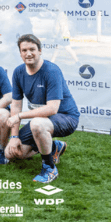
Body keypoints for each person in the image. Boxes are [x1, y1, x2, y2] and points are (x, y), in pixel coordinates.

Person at [5, 34, 80, 183]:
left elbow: (52, 108)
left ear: (40, 51)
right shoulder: (19, 72)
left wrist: (20, 117)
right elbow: (16, 105)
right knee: (12, 153)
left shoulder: (51, 71)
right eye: (24, 50)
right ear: (20, 53)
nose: (28, 53)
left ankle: (49, 168)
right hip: (42, 120)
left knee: (37, 124)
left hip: (66, 117)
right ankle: (54, 147)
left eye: (32, 49)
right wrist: (14, 137)